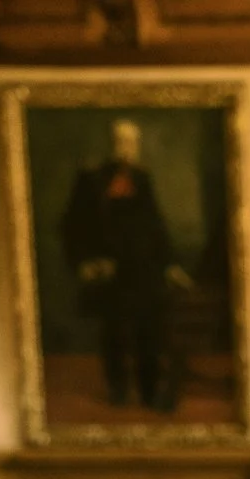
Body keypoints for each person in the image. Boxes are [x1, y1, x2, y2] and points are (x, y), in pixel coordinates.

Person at [61, 118, 192, 412]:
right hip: (111, 271)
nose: (126, 148)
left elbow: (156, 225)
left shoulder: (142, 178)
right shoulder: (91, 179)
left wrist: (169, 264)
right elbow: (73, 224)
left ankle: (149, 393)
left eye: (131, 142)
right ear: (110, 144)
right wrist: (84, 261)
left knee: (150, 332)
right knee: (115, 334)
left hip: (145, 270)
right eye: (120, 141)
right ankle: (118, 391)